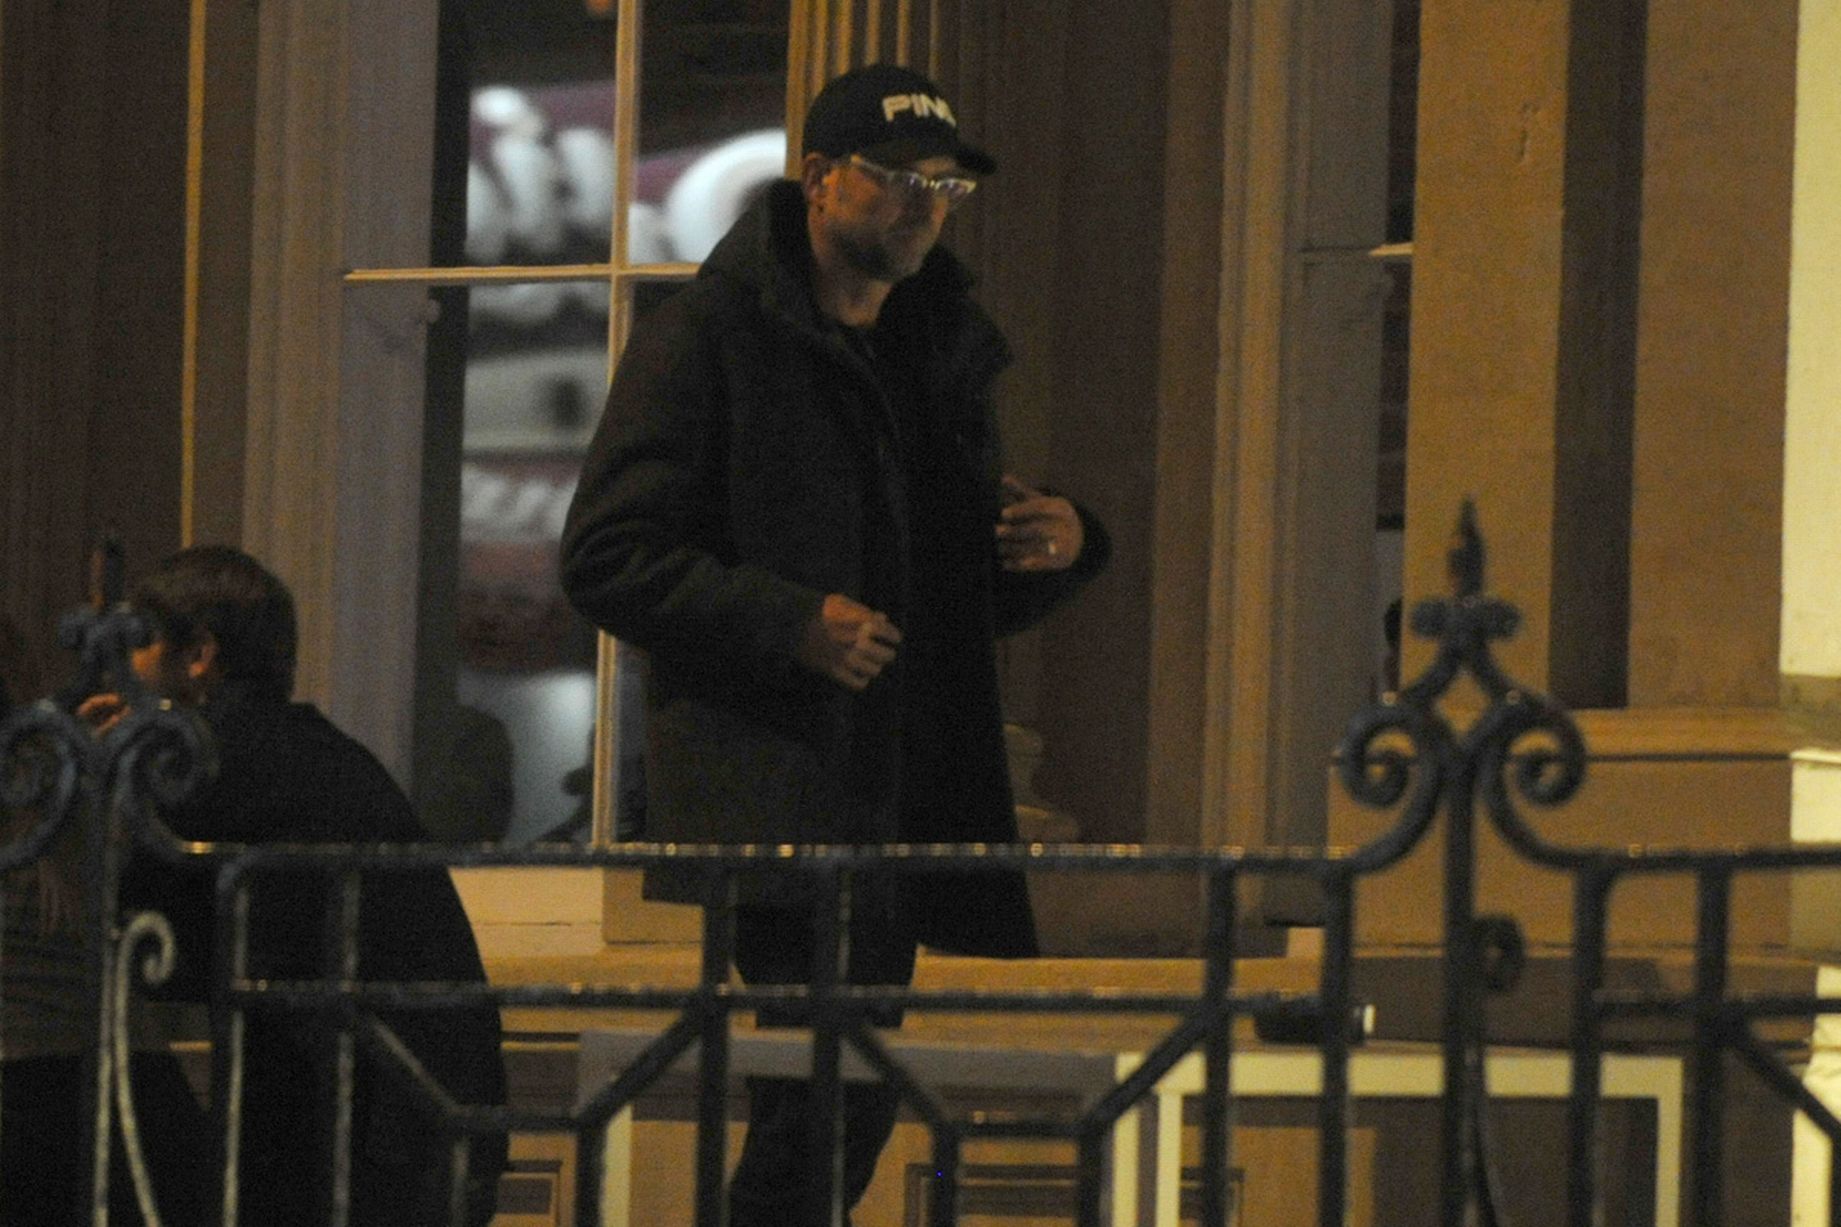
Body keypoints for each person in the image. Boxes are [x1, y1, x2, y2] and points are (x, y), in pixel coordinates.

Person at [559, 62, 1110, 1226]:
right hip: (783, 784)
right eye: (897, 178)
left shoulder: (934, 353)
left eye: (945, 186)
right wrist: (788, 622)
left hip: (901, 787)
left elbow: (951, 602)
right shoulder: (708, 337)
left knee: (841, 1089)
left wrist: (1060, 545)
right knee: (832, 1087)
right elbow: (606, 556)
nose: (923, 205)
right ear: (818, 181)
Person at [83, 546, 507, 1227]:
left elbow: (149, 950)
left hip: (368, 1131)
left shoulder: (212, 761)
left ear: (199, 656)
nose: (121, 665)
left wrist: (114, 775)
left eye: (138, 640)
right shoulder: (302, 751)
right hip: (417, 1113)